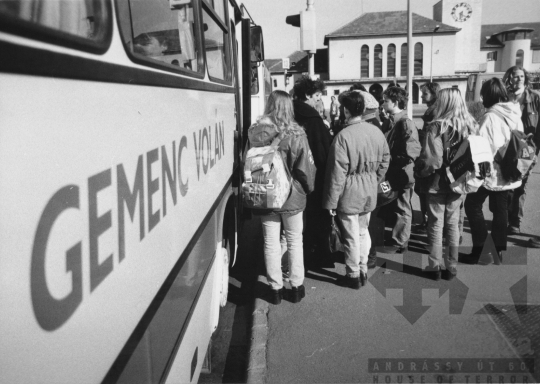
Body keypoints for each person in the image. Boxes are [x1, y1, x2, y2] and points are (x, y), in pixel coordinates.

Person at [252, 90, 316, 304]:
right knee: (294, 240)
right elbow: (305, 169)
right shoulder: (297, 134)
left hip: (265, 194)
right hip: (292, 196)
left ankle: (275, 290)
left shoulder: (255, 132)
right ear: (289, 107)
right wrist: (307, 188)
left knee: (270, 242)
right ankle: (296, 287)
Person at [323, 91, 390, 288]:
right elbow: (386, 160)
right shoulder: (376, 132)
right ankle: (362, 270)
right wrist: (373, 179)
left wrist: (331, 202)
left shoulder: (343, 137)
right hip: (369, 190)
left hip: (349, 192)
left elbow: (337, 173)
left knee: (351, 236)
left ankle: (353, 274)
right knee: (363, 232)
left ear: (345, 110)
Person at [415, 88, 478, 280]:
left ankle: (434, 266)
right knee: (453, 225)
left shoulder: (435, 126)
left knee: (435, 224)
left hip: (437, 181)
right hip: (460, 181)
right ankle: (451, 267)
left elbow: (433, 160)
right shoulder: (470, 125)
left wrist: (420, 171)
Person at [462, 78, 524, 264]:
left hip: (493, 171)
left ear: (487, 95)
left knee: (472, 205)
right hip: (510, 169)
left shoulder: (490, 117)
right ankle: (498, 251)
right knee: (500, 210)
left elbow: (484, 148)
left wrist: (477, 176)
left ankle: (481, 250)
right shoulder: (513, 112)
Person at [292, 75, 332, 267]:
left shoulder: (289, 113)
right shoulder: (314, 119)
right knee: (316, 217)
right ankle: (316, 256)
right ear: (307, 95)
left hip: (292, 175)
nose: (319, 99)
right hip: (313, 175)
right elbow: (322, 150)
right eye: (317, 95)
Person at [380, 87, 421, 253]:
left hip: (402, 173)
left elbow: (412, 149)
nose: (382, 103)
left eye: (385, 101)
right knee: (395, 203)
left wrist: (398, 162)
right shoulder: (391, 121)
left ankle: (401, 240)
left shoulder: (404, 122)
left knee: (403, 206)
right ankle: (398, 236)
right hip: (395, 171)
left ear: (395, 102)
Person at [503, 66, 540, 247]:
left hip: (527, 149)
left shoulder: (534, 98)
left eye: (520, 76)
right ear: (509, 78)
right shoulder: (505, 96)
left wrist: (535, 151)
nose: (517, 79)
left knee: (520, 185)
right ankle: (507, 217)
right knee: (507, 183)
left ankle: (514, 223)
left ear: (525, 78)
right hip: (507, 148)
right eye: (514, 76)